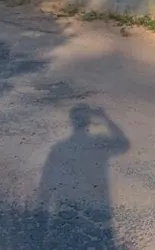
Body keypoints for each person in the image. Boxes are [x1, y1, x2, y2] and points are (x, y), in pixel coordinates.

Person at [36, 104, 130, 249]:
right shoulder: (98, 143)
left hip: (67, 209)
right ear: (89, 121)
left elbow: (46, 183)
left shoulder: (60, 149)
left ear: (72, 121)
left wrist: (41, 214)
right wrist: (105, 118)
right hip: (96, 207)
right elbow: (123, 144)